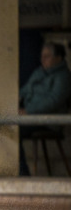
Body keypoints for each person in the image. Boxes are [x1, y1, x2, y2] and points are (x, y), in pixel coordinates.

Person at [19, 41, 71, 174]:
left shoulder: (63, 77)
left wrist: (28, 111)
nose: (43, 59)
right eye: (42, 56)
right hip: (29, 118)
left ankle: (22, 173)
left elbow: (53, 100)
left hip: (48, 122)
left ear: (58, 58)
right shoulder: (39, 72)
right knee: (5, 127)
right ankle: (19, 171)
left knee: (15, 130)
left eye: (47, 56)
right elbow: (24, 91)